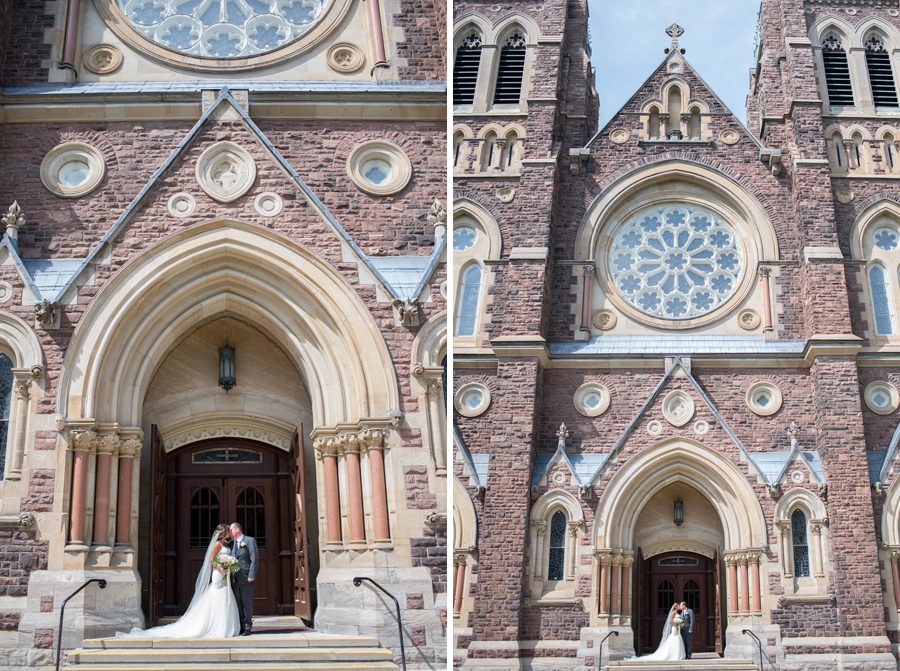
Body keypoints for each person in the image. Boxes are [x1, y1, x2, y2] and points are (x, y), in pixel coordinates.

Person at [118, 523, 240, 638]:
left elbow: (224, 558)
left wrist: (229, 566)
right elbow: (212, 560)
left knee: (225, 596)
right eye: (228, 530)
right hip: (218, 575)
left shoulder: (225, 544)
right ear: (224, 532)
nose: (230, 532)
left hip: (225, 575)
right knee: (218, 596)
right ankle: (215, 626)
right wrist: (221, 569)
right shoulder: (217, 544)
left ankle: (225, 626)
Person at [229, 522, 259, 636]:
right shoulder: (231, 544)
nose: (230, 533)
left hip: (246, 577)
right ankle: (240, 626)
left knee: (247, 603)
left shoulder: (250, 541)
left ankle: (247, 626)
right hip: (234, 579)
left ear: (237, 529)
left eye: (231, 530)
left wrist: (252, 575)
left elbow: (254, 558)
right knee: (238, 604)